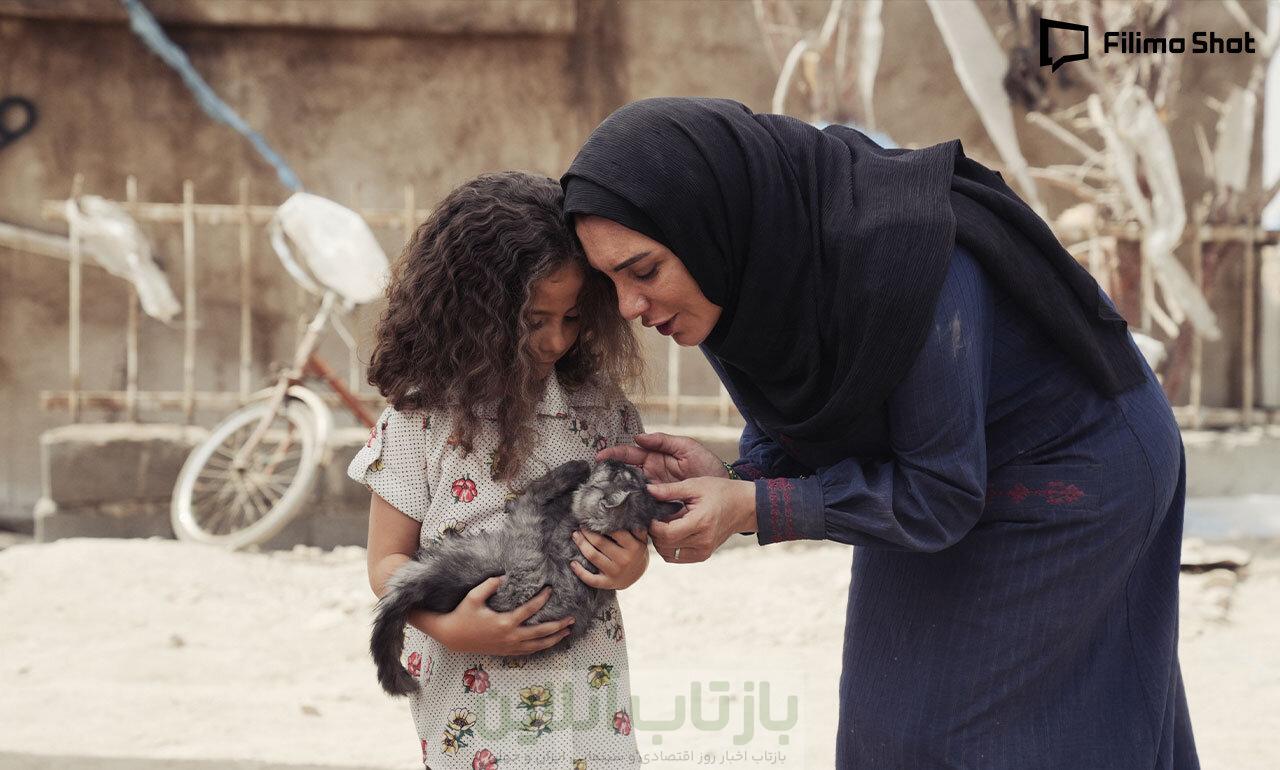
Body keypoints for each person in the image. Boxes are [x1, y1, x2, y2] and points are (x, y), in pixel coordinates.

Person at [567, 97, 1198, 769]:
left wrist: (755, 507)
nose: (631, 308)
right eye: (610, 284)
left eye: (643, 271)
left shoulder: (910, 261)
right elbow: (806, 425)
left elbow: (940, 496)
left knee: (982, 742)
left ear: (706, 222)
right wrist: (737, 481)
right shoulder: (746, 270)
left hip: (1074, 470)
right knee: (885, 734)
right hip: (940, 469)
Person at [349, 171, 649, 769]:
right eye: (534, 320)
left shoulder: (600, 408)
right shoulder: (422, 417)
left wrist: (631, 565)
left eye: (572, 318)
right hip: (472, 693)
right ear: (473, 313)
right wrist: (448, 627)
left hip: (585, 689)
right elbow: (386, 562)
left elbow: (629, 532)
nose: (557, 339)